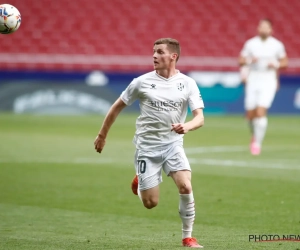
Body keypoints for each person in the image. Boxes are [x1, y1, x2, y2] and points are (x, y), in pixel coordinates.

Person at [94, 38, 205, 248]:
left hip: (173, 145)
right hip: (147, 147)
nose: (154, 55)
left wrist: (187, 126)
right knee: (150, 203)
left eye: (160, 52)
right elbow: (116, 107)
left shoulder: (187, 83)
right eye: (153, 52)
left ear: (173, 56)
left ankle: (188, 237)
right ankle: (140, 178)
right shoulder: (141, 82)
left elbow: (199, 117)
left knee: (185, 186)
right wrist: (102, 135)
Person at [238, 19, 288, 155]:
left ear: (271, 30)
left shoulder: (277, 45)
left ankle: (257, 144)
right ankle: (255, 135)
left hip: (268, 79)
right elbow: (240, 60)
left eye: (267, 27)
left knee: (261, 112)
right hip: (253, 78)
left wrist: (276, 65)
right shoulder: (251, 44)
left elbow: (285, 62)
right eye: (262, 27)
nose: (264, 30)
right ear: (258, 29)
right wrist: (249, 61)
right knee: (250, 115)